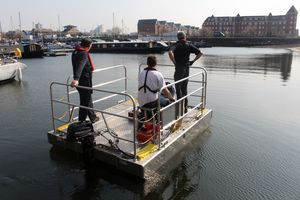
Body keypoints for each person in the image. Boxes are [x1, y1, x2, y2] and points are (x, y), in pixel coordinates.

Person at [168, 31, 203, 130]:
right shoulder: (189, 45)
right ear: (185, 37)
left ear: (178, 37)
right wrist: (193, 61)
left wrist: (174, 62)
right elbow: (200, 53)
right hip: (187, 68)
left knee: (178, 87)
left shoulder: (176, 45)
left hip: (179, 68)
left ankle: (180, 108)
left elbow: (170, 52)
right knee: (184, 87)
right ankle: (185, 106)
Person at [71, 38, 99, 123]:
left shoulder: (75, 52)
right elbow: (80, 65)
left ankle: (93, 117)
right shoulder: (83, 53)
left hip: (81, 81)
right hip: (84, 81)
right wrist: (76, 79)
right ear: (89, 45)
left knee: (87, 99)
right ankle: (81, 121)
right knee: (84, 102)